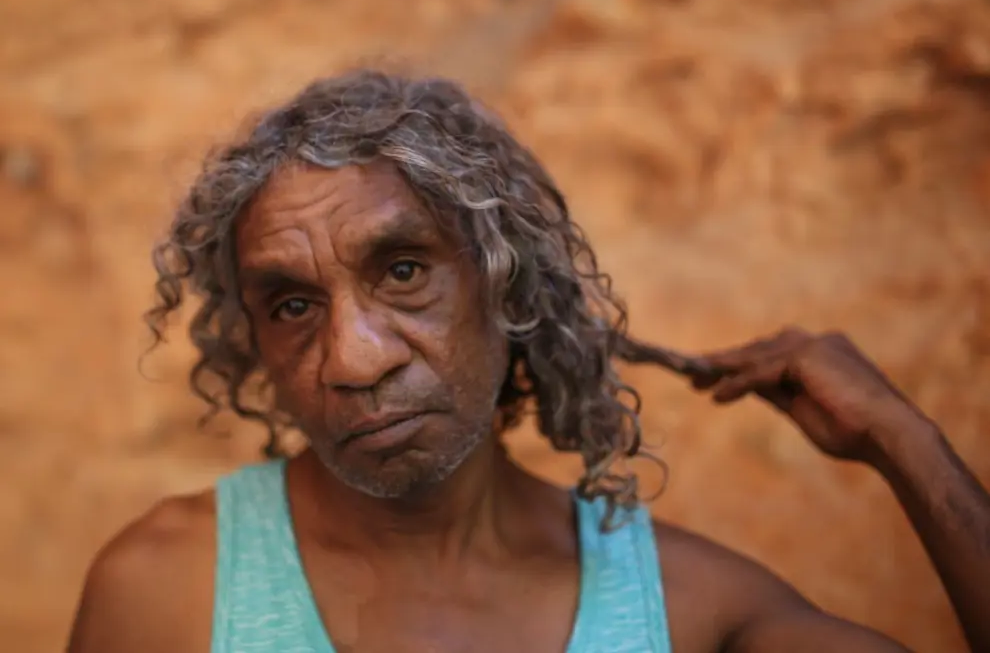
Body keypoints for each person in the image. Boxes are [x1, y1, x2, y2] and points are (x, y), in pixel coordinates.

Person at [66, 70, 990, 653]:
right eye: (294, 305)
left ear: (512, 287)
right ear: (257, 342)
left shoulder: (685, 614)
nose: (352, 360)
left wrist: (907, 443)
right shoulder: (166, 591)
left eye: (404, 270)